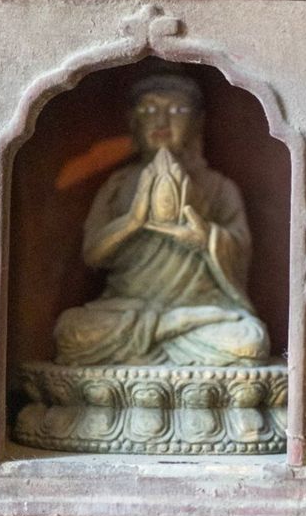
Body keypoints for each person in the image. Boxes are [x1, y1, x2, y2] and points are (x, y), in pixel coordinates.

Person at [53, 72, 272, 367]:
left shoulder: (220, 188)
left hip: (202, 311)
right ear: (133, 122)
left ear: (198, 123)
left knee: (249, 340)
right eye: (149, 110)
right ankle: (167, 328)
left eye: (178, 110)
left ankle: (159, 335)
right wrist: (132, 222)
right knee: (71, 329)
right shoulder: (118, 184)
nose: (161, 121)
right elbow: (93, 254)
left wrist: (206, 237)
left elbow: (240, 252)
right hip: (127, 309)